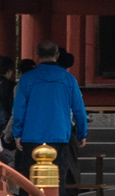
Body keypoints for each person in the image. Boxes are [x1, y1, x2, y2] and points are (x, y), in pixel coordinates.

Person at [10, 44, 85, 178]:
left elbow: (19, 109)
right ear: (57, 55)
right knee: (58, 178)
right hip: (59, 135)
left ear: (37, 56)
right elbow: (79, 109)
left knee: (29, 179)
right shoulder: (68, 79)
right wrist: (81, 133)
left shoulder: (27, 79)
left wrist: (17, 133)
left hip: (31, 135)